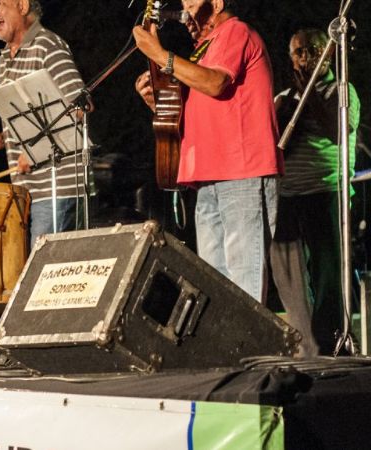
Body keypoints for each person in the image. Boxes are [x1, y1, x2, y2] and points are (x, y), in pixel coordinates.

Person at [132, 0, 282, 303]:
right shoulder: (202, 49)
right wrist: (156, 102)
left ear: (217, 3)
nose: (185, 7)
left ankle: (245, 337)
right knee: (214, 286)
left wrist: (160, 55)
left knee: (243, 283)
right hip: (207, 176)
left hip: (241, 172)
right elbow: (194, 113)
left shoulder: (235, 31)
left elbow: (215, 83)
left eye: (192, 0)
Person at [270, 28, 361, 356]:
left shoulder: (341, 89)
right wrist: (288, 103)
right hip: (288, 195)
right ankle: (305, 342)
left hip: (325, 189)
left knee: (327, 273)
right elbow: (276, 142)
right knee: (288, 272)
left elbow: (337, 131)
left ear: (327, 53)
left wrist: (306, 93)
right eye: (298, 52)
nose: (305, 57)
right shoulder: (285, 96)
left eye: (312, 50)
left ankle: (332, 343)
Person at [0, 0, 88, 248]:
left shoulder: (48, 45)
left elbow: (79, 106)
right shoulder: (5, 58)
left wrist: (36, 150)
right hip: (28, 192)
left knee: (43, 267)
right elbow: (32, 119)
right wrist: (3, 140)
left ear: (23, 6)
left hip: (59, 188)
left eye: (0, 3)